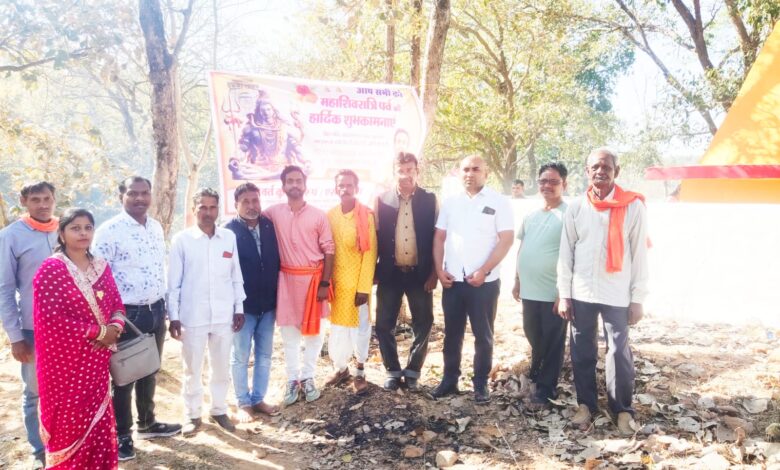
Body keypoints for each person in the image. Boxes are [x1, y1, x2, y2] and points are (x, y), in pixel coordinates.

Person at [557, 148, 649, 436]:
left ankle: (622, 409)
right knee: (581, 350)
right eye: (595, 167)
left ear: (616, 172)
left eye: (606, 167)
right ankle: (586, 405)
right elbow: (566, 253)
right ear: (587, 171)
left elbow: (639, 254)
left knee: (618, 353)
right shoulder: (576, 207)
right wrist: (564, 294)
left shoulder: (633, 206)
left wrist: (638, 298)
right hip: (582, 291)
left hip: (617, 293)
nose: (600, 171)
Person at [93, 176, 181, 461]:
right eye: (133, 193)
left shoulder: (155, 227)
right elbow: (97, 277)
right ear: (122, 196)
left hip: (156, 309)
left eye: (145, 193)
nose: (140, 198)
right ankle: (122, 435)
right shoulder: (109, 231)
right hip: (127, 315)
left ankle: (148, 423)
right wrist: (111, 319)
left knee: (149, 368)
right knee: (124, 377)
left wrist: (167, 309)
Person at [33, 208, 126, 469]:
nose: (83, 233)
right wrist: (100, 332)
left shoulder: (101, 266)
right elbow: (52, 319)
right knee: (69, 421)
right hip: (65, 366)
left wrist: (115, 327)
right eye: (75, 228)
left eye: (88, 227)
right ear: (62, 234)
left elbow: (117, 304)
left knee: (98, 416)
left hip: (96, 361)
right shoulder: (51, 269)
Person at [432, 155, 514, 403]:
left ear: (486, 173)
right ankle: (449, 380)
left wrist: (484, 270)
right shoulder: (451, 203)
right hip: (453, 281)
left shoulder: (498, 201)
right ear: (459, 173)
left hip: (484, 282)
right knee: (452, 334)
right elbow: (439, 238)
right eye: (465, 169)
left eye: (476, 169)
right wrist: (439, 270)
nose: (470, 173)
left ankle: (480, 384)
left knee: (483, 335)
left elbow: (506, 239)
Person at [168, 188, 246, 436]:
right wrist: (174, 316)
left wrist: (239, 308)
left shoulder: (228, 238)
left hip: (224, 314)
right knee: (192, 368)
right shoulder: (182, 240)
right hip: (193, 315)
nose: (208, 212)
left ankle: (219, 409)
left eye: (213, 207)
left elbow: (235, 275)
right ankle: (192, 415)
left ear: (218, 210)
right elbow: (173, 283)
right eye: (203, 207)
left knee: (221, 367)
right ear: (194, 210)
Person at [264, 165, 335, 406]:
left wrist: (324, 283)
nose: (295, 184)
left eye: (298, 180)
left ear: (305, 185)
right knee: (289, 334)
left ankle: (308, 377)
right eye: (290, 181)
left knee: (315, 334)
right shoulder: (272, 213)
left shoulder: (318, 215)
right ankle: (292, 379)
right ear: (283, 186)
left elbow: (329, 250)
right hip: (286, 281)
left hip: (314, 282)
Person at [0, 182, 58, 469]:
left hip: (71, 329)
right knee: (34, 392)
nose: (43, 205)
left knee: (65, 389)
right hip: (33, 331)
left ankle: (65, 444)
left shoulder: (66, 229)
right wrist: (15, 337)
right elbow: (4, 289)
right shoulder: (11, 236)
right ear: (23, 201)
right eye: (36, 199)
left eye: (47, 198)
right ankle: (39, 451)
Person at [374, 152, 437, 391]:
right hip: (390, 273)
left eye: (410, 170)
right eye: (401, 170)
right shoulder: (382, 200)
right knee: (383, 324)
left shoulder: (430, 200)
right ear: (394, 173)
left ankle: (413, 371)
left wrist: (434, 273)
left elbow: (438, 238)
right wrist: (374, 271)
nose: (405, 175)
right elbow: (374, 236)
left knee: (424, 322)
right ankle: (392, 370)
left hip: (420, 273)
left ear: (417, 171)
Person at [512, 162, 569, 410]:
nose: (547, 186)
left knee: (553, 340)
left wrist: (563, 292)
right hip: (529, 290)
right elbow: (522, 248)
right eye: (543, 181)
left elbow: (572, 256)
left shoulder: (569, 215)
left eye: (553, 181)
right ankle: (536, 372)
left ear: (564, 184)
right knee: (532, 332)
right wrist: (517, 279)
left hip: (553, 291)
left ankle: (546, 389)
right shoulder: (531, 215)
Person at [223, 183, 281, 422]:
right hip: (242, 309)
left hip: (268, 305)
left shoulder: (269, 226)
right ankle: (243, 402)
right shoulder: (228, 232)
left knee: (265, 355)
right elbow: (224, 272)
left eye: (255, 200)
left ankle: (258, 398)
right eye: (245, 201)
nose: (251, 206)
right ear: (236, 204)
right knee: (240, 356)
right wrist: (233, 306)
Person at [324, 170, 377, 394]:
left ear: (356, 188)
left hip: (357, 285)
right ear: (335, 189)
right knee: (338, 328)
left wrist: (364, 287)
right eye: (341, 185)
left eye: (349, 185)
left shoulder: (365, 216)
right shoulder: (330, 216)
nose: (345, 189)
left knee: (360, 328)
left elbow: (370, 253)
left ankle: (360, 371)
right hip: (337, 285)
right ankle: (341, 368)